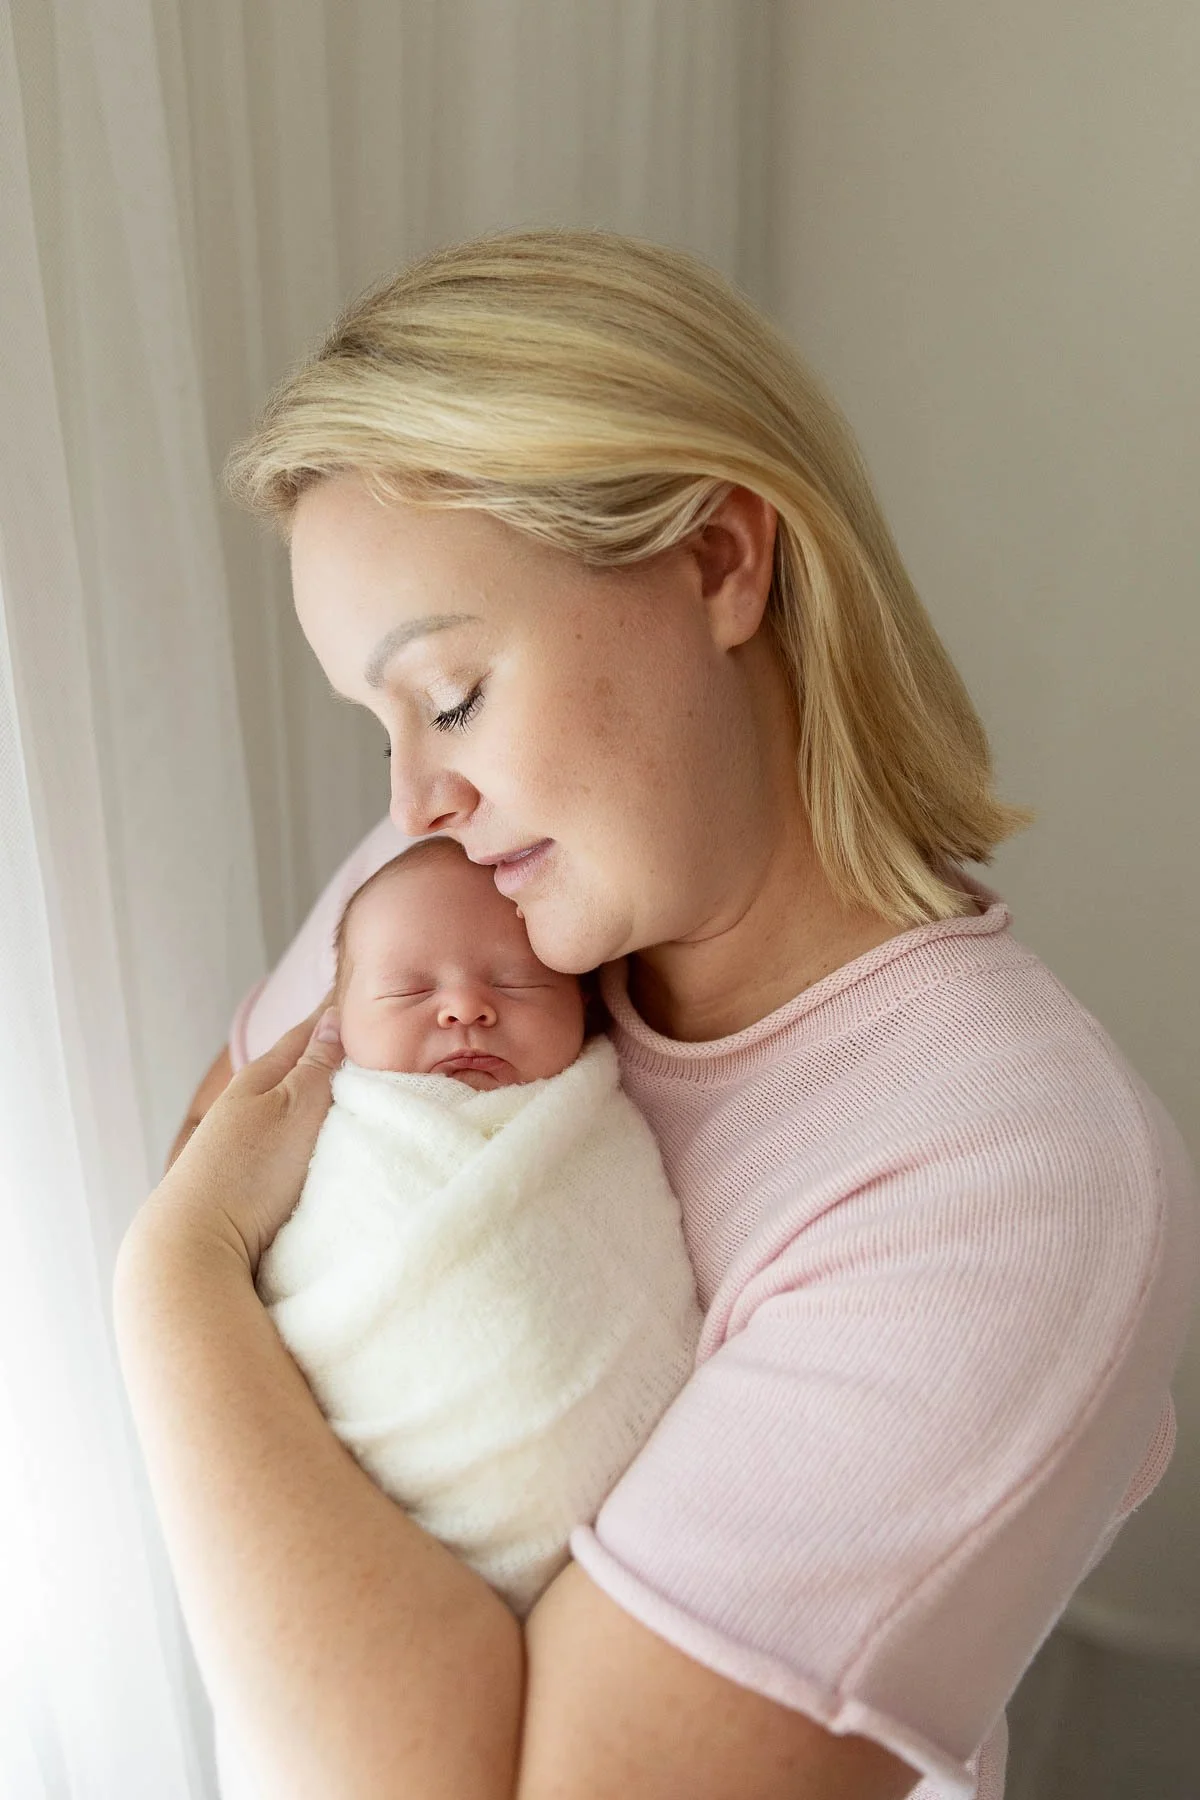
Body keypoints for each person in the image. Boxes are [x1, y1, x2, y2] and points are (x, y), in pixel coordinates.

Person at [114, 227, 1200, 1800]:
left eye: (456, 692)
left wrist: (166, 1286)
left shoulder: (1011, 1180)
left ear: (719, 560)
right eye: (384, 724)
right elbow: (209, 1168)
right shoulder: (460, 878)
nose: (419, 793)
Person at [213, 834, 702, 1799]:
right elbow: (284, 1304)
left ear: (590, 1009)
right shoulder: (339, 1138)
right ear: (338, 1024)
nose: (466, 1006)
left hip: (606, 1612)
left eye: (517, 983)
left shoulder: (595, 1127)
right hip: (367, 1561)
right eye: (407, 992)